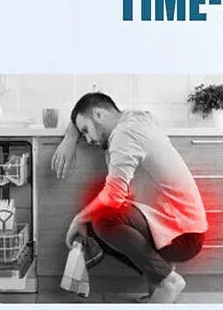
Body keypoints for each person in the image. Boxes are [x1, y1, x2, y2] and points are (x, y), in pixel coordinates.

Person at [52, 92, 208, 303]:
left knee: (103, 219)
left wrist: (78, 218)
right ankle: (158, 281)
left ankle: (167, 281)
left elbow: (114, 195)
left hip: (182, 237)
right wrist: (72, 134)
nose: (87, 140)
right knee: (97, 222)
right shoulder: (136, 119)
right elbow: (93, 105)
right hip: (185, 229)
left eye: (86, 131)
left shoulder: (124, 135)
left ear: (99, 115)